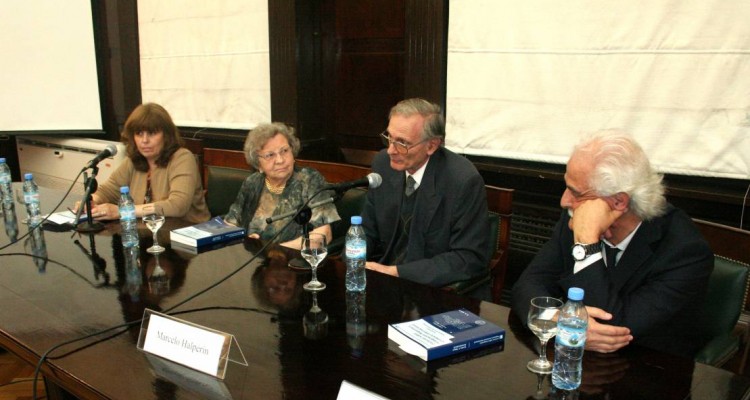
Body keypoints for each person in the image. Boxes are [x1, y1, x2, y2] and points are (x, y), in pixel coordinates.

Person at [511, 130, 713, 357]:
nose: (564, 201)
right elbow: (528, 285)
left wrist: (587, 242)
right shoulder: (572, 219)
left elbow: (612, 330)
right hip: (576, 364)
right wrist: (557, 319)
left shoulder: (685, 252)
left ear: (618, 201)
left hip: (647, 371)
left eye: (576, 193)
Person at [362, 98, 491, 290]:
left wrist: (397, 273)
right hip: (385, 283)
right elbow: (366, 229)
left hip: (435, 289)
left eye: (402, 143)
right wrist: (353, 256)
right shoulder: (383, 165)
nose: (390, 150)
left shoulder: (462, 180)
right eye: (389, 137)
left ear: (431, 145)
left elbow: (468, 257)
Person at [79, 103, 210, 224]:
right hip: (149, 234)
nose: (144, 140)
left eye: (152, 133)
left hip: (186, 236)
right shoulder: (133, 160)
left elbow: (177, 206)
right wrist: (91, 201)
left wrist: (123, 212)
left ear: (166, 135)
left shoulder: (182, 158)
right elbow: (109, 190)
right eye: (139, 133)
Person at [224, 123, 340, 249]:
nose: (280, 160)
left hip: (293, 261)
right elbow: (230, 223)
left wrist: (275, 250)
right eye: (270, 155)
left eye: (284, 151)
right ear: (258, 165)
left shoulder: (309, 180)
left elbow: (323, 235)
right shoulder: (252, 183)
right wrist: (246, 241)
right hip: (254, 261)